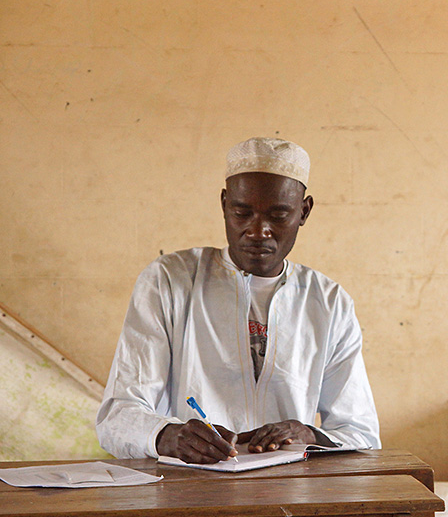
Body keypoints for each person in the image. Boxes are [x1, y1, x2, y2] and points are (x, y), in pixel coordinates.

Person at [96, 137, 380, 462]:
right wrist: (166, 435)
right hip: (189, 484)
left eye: (278, 215)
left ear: (304, 211)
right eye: (242, 213)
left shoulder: (329, 303)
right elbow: (116, 418)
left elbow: (362, 434)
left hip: (290, 487)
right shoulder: (170, 282)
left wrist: (309, 434)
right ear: (224, 205)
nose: (258, 231)